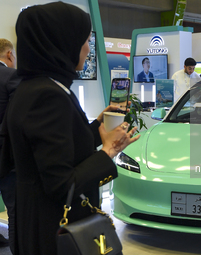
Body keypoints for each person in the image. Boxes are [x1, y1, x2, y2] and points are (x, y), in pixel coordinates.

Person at [0, 2, 140, 254]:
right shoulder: (47, 95)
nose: (88, 48)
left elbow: (58, 148)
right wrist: (107, 152)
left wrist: (97, 124)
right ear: (61, 42)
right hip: (53, 230)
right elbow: (60, 184)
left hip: (40, 220)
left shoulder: (37, 88)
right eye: (84, 40)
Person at [0, 38, 20, 252]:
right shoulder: (10, 76)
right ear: (9, 55)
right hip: (6, 158)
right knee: (15, 213)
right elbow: (17, 118)